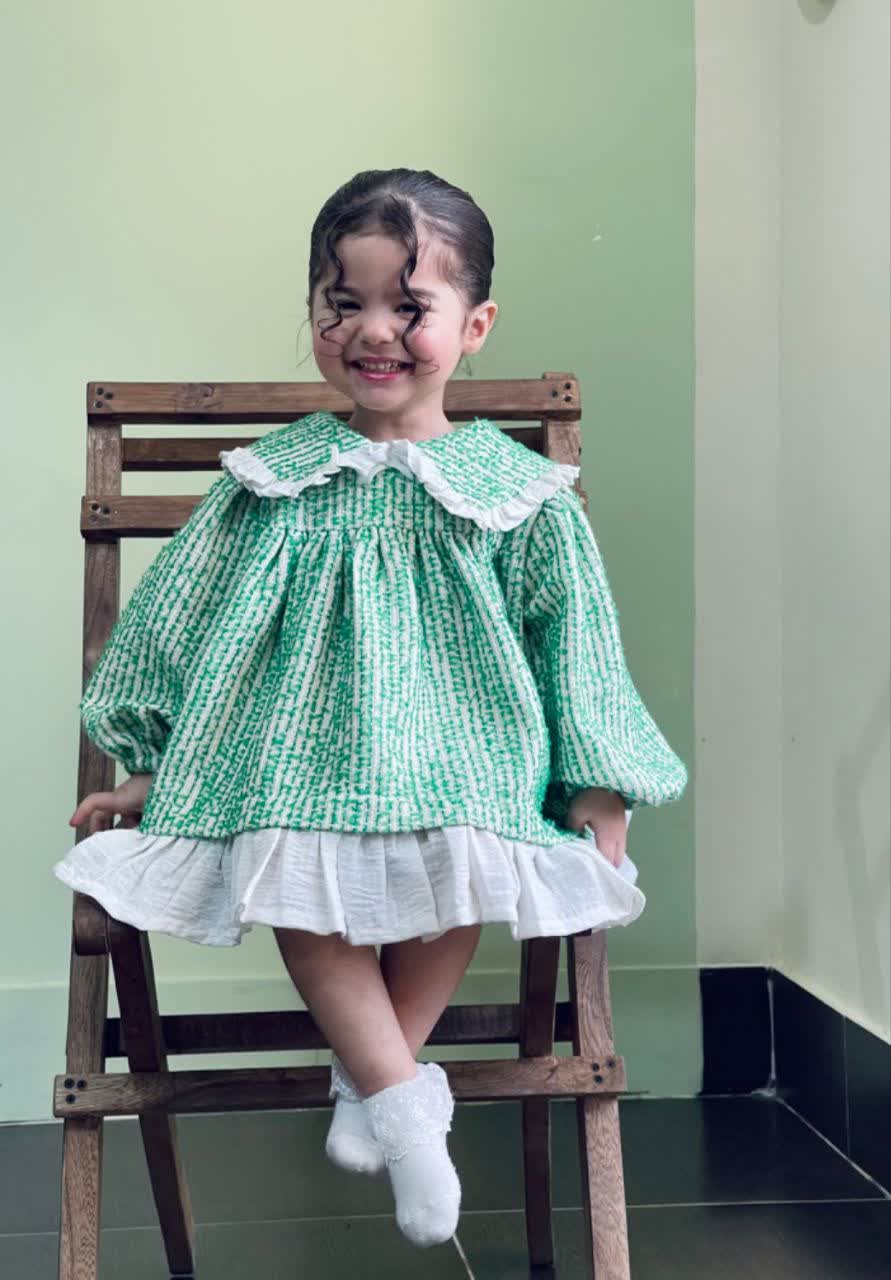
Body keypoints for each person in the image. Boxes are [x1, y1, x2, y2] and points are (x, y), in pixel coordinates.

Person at [53, 167, 688, 1249]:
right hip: (291, 757)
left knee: (467, 855)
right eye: (342, 303)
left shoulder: (514, 493)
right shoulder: (272, 481)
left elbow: (575, 639)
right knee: (295, 876)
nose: (373, 330)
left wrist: (597, 781)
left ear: (474, 325)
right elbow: (180, 619)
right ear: (314, 310)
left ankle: (374, 1075)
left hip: (466, 753)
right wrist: (153, 757)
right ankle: (401, 1098)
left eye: (409, 305)